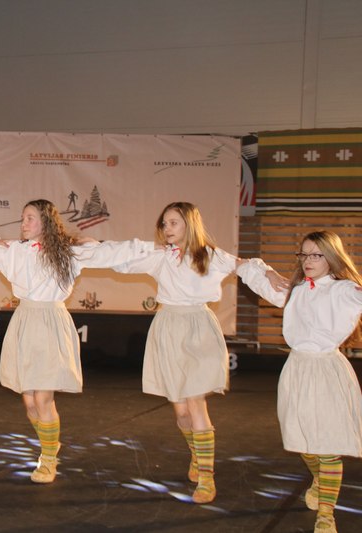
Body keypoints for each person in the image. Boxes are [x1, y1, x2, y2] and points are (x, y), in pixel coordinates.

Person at [0, 199, 155, 483]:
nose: (23, 223)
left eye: (30, 218)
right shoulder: (14, 252)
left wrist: (148, 248)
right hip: (25, 322)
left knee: (43, 397)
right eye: (22, 218)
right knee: (29, 402)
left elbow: (113, 254)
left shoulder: (68, 252)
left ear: (46, 222)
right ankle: (50, 444)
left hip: (51, 322)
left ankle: (48, 459)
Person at [111, 201, 287, 503]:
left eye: (173, 223)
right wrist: (92, 248)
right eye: (164, 223)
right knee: (181, 412)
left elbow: (244, 265)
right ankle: (197, 453)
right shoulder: (160, 257)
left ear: (190, 224)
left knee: (196, 404)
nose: (167, 228)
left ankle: (207, 477)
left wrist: (268, 272)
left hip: (199, 330)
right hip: (168, 329)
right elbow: (122, 261)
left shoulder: (211, 256)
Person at [237, 231, 362, 533]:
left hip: (328, 370)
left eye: (316, 254)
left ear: (331, 257)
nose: (308, 260)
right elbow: (246, 270)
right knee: (304, 442)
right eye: (303, 254)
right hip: (297, 370)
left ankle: (326, 514)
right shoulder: (293, 290)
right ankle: (320, 480)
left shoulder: (344, 290)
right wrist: (266, 270)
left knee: (328, 445)